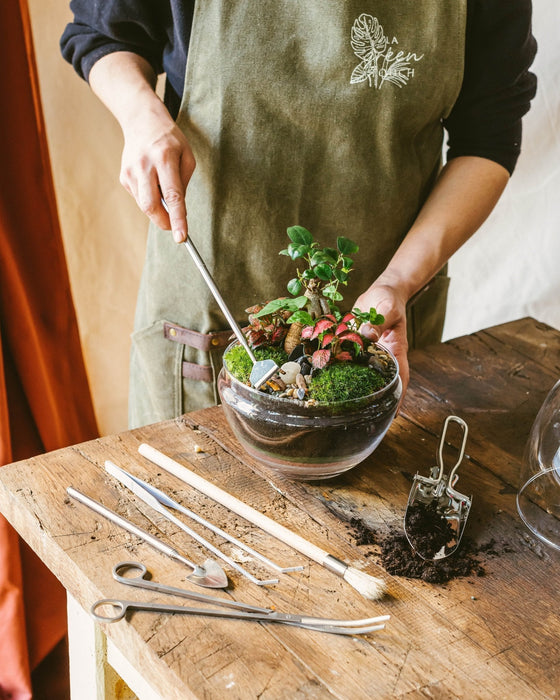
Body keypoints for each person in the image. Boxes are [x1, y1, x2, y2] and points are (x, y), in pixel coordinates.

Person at [61, 1, 537, 428]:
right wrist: (141, 116)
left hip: (386, 305)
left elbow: (488, 137)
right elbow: (105, 34)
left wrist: (398, 282)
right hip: (210, 296)